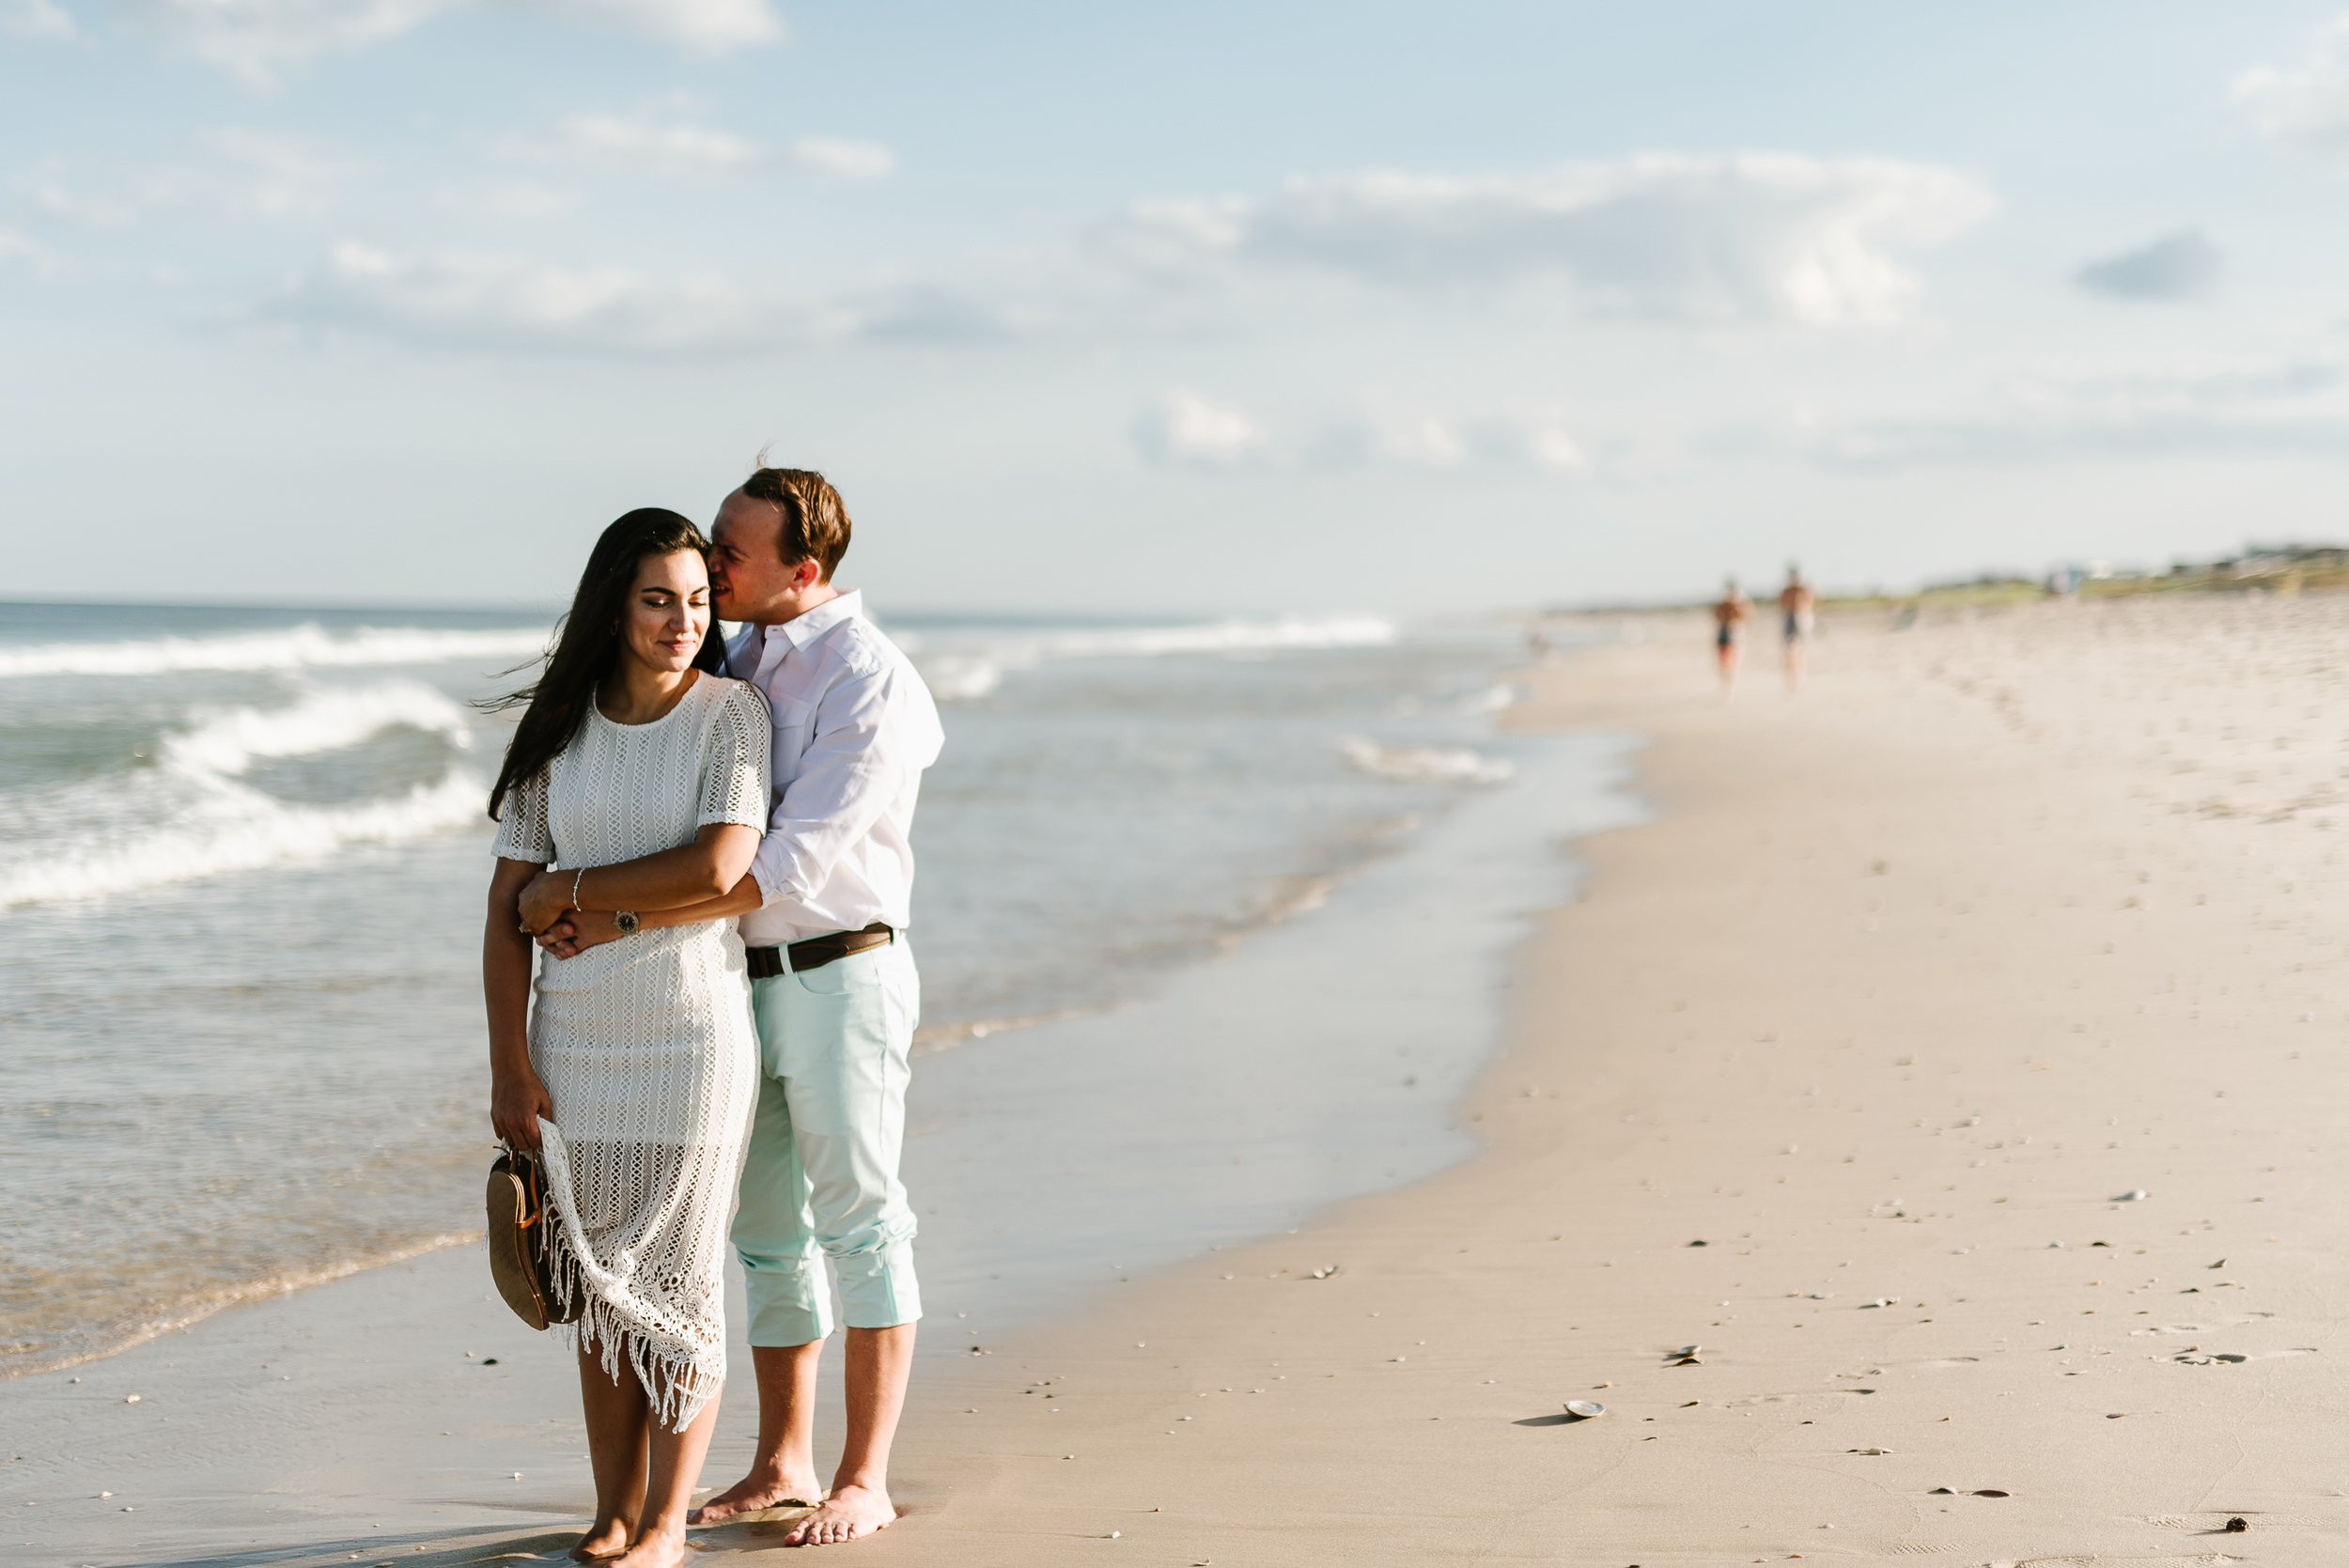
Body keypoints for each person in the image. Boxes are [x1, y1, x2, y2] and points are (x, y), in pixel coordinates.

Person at [539, 465, 944, 1548]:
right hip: (728, 987)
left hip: (838, 970)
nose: (709, 566)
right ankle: (781, 1460)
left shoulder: (870, 679)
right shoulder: (746, 655)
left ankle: (865, 1476)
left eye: (730, 552)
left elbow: (782, 863)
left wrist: (598, 910)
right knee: (766, 1236)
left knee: (860, 1219)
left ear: (802, 571)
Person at [483, 508, 774, 1568]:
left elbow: (714, 868)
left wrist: (571, 891)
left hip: (693, 1043)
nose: (682, 620)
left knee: (682, 1285)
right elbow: (500, 910)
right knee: (600, 1290)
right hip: (574, 1047)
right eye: (659, 599)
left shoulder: (732, 717)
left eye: (697, 600)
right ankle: (612, 1510)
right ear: (616, 605)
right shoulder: (558, 733)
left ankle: (664, 1524)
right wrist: (510, 1065)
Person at [1778, 565, 1817, 692]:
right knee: (1790, 648)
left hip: (1801, 619)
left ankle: (1799, 675)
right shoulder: (1787, 591)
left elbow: (1812, 602)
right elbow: (1781, 604)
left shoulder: (1804, 590)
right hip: (1790, 619)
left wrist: (1805, 614)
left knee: (1799, 649)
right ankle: (1793, 676)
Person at [1710, 578, 1750, 698]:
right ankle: (1726, 681)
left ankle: (1730, 686)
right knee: (1723, 661)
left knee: (1734, 659)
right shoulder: (1721, 604)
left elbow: (1747, 617)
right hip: (1723, 632)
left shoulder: (1741, 603)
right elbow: (1716, 616)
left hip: (1734, 632)